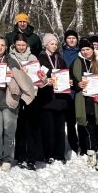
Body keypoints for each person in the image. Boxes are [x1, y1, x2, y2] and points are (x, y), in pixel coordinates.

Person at [0, 35, 37, 171]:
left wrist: (14, 75)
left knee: (9, 131)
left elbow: (21, 79)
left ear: (6, 47)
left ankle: (7, 158)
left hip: (9, 101)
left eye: (2, 45)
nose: (0, 47)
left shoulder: (11, 61)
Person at [70, 38, 98, 170]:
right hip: (84, 102)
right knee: (89, 131)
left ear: (93, 49)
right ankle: (91, 154)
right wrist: (77, 84)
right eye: (83, 49)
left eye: (88, 49)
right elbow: (71, 80)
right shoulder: (77, 62)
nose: (85, 52)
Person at [10, 33, 43, 169]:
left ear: (27, 45)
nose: (21, 47)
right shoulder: (10, 57)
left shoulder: (33, 58)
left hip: (31, 95)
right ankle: (20, 156)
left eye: (23, 45)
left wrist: (41, 76)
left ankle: (31, 158)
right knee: (19, 127)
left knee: (31, 127)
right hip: (17, 95)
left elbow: (39, 77)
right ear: (14, 45)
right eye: (18, 45)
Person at [37, 33, 70, 164]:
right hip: (47, 98)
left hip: (60, 98)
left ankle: (59, 154)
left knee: (60, 129)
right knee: (48, 128)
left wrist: (68, 81)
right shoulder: (40, 59)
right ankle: (48, 154)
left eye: (56, 44)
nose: (54, 46)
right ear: (46, 45)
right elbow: (37, 77)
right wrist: (46, 81)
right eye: (52, 44)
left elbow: (66, 74)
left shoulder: (60, 59)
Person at [61, 30, 81, 155]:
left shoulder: (81, 52)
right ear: (65, 40)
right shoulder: (61, 52)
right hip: (65, 90)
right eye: (69, 38)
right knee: (70, 120)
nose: (72, 40)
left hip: (79, 89)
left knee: (81, 119)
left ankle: (83, 143)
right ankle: (73, 143)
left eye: (74, 38)